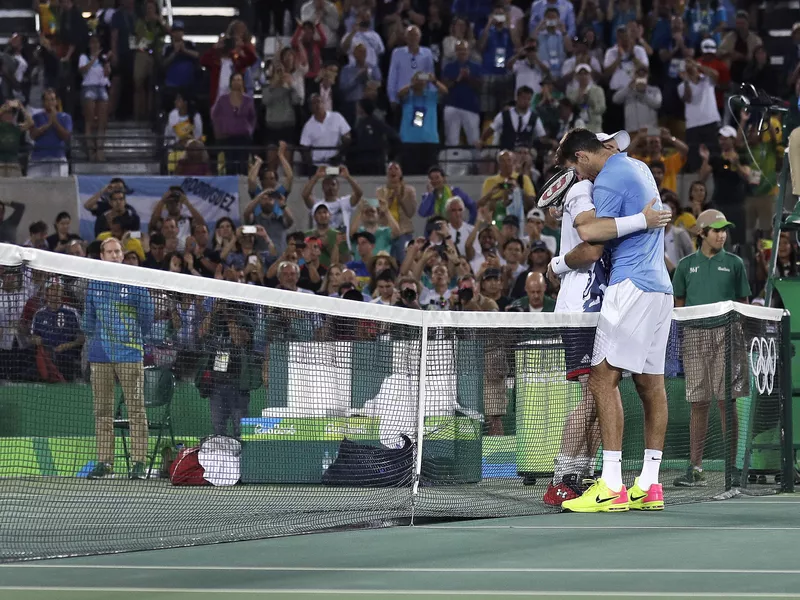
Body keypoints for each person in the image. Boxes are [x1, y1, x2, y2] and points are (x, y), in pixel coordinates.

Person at [554, 128, 674, 513]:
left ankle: (610, 484)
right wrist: (644, 218)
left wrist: (639, 219)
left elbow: (590, 234)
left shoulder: (605, 179)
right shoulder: (639, 167)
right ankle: (650, 485)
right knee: (651, 383)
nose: (580, 176)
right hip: (660, 289)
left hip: (631, 287)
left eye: (577, 168)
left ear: (582, 157)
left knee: (603, 379)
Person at [671, 209, 750, 488]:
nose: (722, 234)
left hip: (728, 334)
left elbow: (743, 302)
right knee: (698, 402)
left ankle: (733, 467)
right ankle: (695, 468)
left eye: (724, 230)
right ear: (701, 234)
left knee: (726, 400)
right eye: (716, 230)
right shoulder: (684, 266)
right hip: (694, 335)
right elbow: (679, 304)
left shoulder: (735, 263)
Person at [84, 237, 155, 479]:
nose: (114, 255)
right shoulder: (94, 284)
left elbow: (147, 319)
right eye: (109, 252)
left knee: (136, 408)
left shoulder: (135, 282)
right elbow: (88, 321)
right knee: (102, 411)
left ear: (123, 255)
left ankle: (138, 463)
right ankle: (105, 462)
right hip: (100, 354)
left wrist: (128, 338)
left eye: (117, 252)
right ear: (102, 256)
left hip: (129, 353)